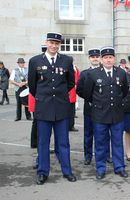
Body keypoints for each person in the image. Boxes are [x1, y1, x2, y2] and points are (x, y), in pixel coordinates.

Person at [28, 32, 76, 185]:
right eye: (51, 42)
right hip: (43, 108)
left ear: (59, 45)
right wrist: (44, 97)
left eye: (57, 43)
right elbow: (32, 85)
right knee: (43, 142)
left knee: (63, 142)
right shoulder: (34, 61)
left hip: (61, 108)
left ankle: (67, 171)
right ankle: (42, 172)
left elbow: (70, 83)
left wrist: (59, 97)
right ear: (46, 43)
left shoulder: (67, 60)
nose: (54, 46)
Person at [83, 46, 128, 180]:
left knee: (117, 142)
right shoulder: (93, 74)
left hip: (117, 114)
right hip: (99, 114)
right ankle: (101, 168)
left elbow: (124, 92)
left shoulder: (121, 73)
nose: (108, 60)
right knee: (100, 143)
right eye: (106, 57)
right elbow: (87, 94)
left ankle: (119, 167)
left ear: (114, 59)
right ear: (101, 59)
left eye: (110, 57)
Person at [76, 48, 101, 165]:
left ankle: (105, 154)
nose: (95, 59)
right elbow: (79, 89)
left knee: (103, 134)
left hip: (103, 108)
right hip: (89, 107)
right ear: (89, 58)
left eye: (97, 56)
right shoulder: (85, 73)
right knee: (88, 133)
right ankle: (88, 155)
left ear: (100, 58)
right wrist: (89, 98)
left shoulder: (104, 71)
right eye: (93, 57)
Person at [69, 65, 80, 132]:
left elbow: (78, 78)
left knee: (72, 112)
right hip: (66, 93)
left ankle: (71, 125)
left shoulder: (75, 68)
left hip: (72, 92)